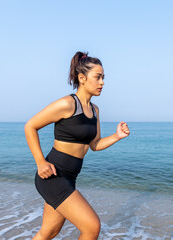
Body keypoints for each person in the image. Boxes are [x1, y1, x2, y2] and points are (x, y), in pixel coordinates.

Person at [24, 51, 130, 240]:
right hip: (52, 175)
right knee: (92, 227)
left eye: (103, 78)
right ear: (82, 78)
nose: (102, 82)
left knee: (49, 232)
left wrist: (116, 136)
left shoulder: (95, 110)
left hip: (70, 177)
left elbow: (95, 144)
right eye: (98, 77)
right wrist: (40, 162)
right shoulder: (67, 104)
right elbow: (30, 126)